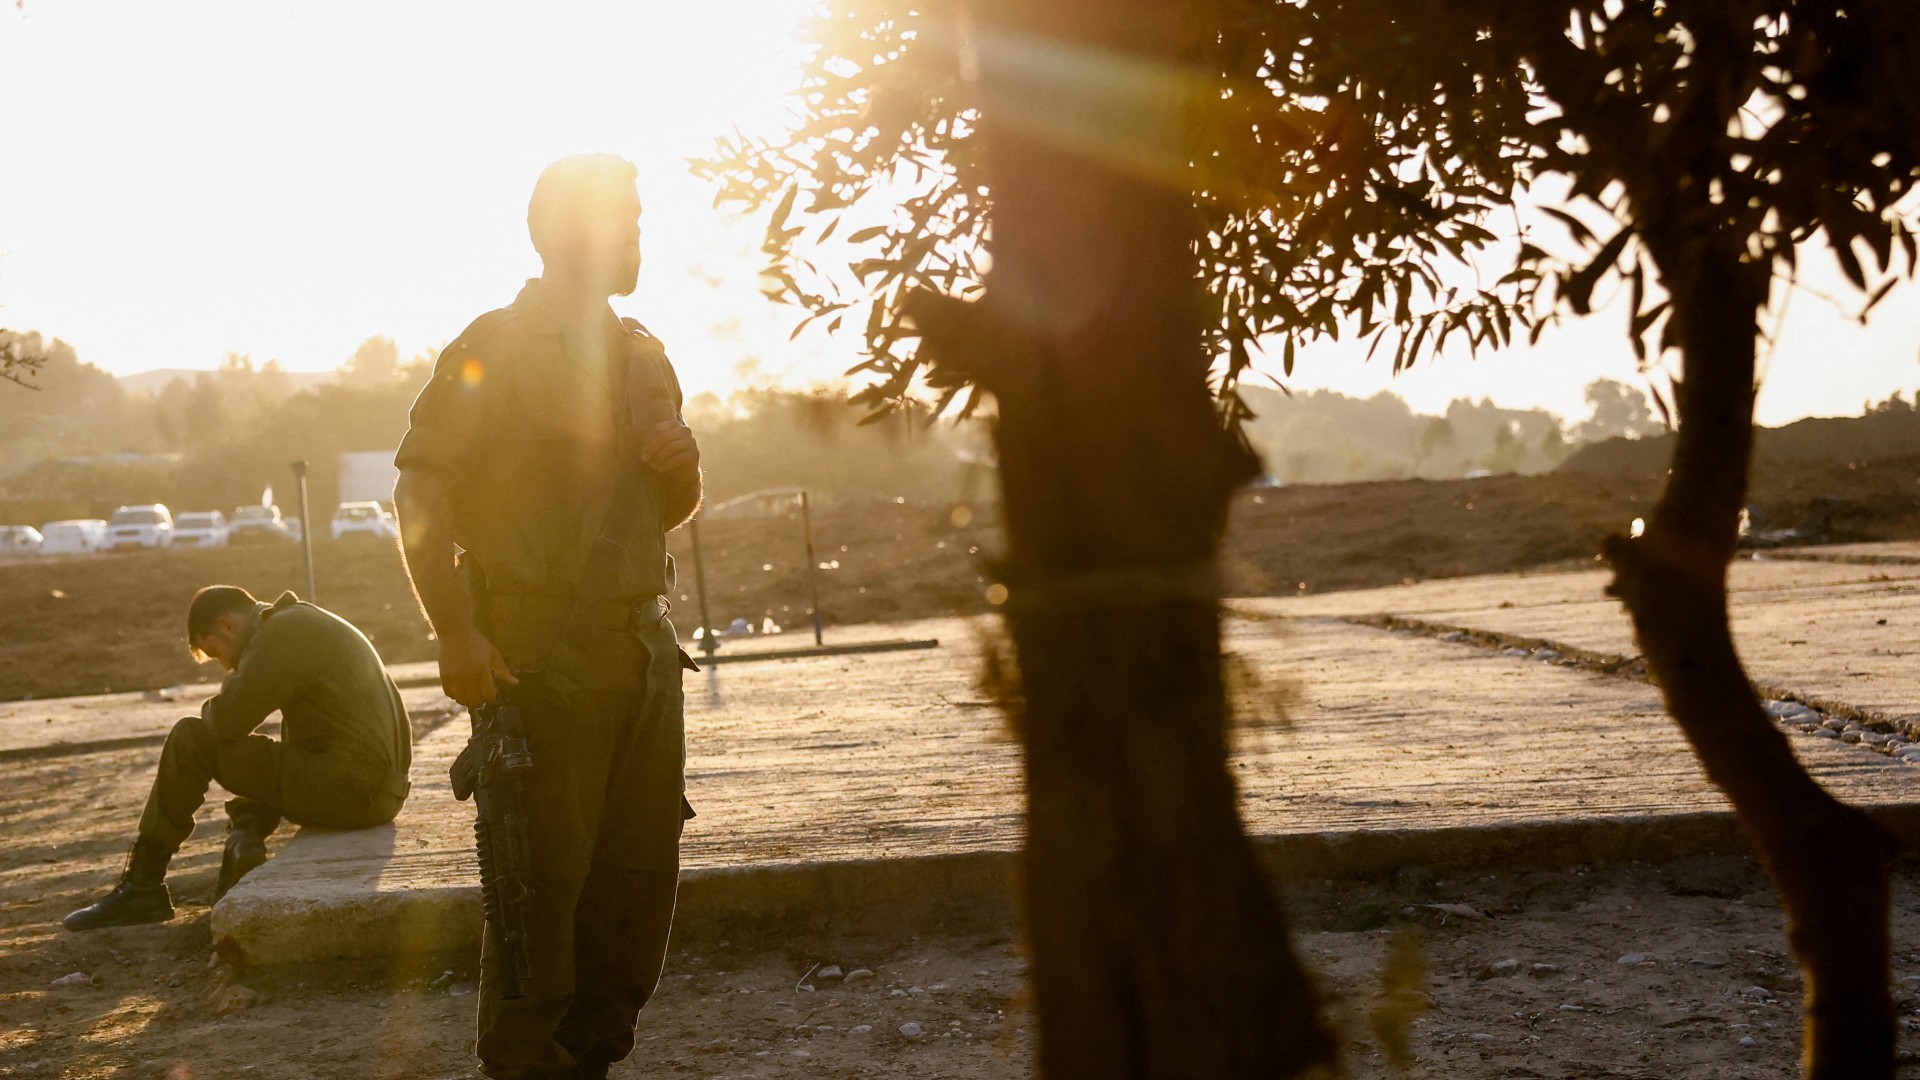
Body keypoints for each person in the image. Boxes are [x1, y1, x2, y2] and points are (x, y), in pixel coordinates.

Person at [393, 153, 701, 1080]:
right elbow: (418, 492)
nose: (641, 231)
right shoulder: (495, 344)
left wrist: (681, 461)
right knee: (539, 901)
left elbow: (667, 509)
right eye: (626, 216)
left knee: (636, 892)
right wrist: (452, 630)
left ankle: (596, 1062)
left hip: (644, 657)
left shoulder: (645, 352)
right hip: (537, 660)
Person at [64, 586, 413, 931]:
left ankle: (143, 885)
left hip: (355, 790)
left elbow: (228, 719)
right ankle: (244, 838)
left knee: (191, 738)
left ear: (228, 626)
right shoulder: (302, 622)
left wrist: (235, 681)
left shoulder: (282, 632)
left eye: (218, 654)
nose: (227, 666)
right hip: (371, 790)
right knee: (265, 749)